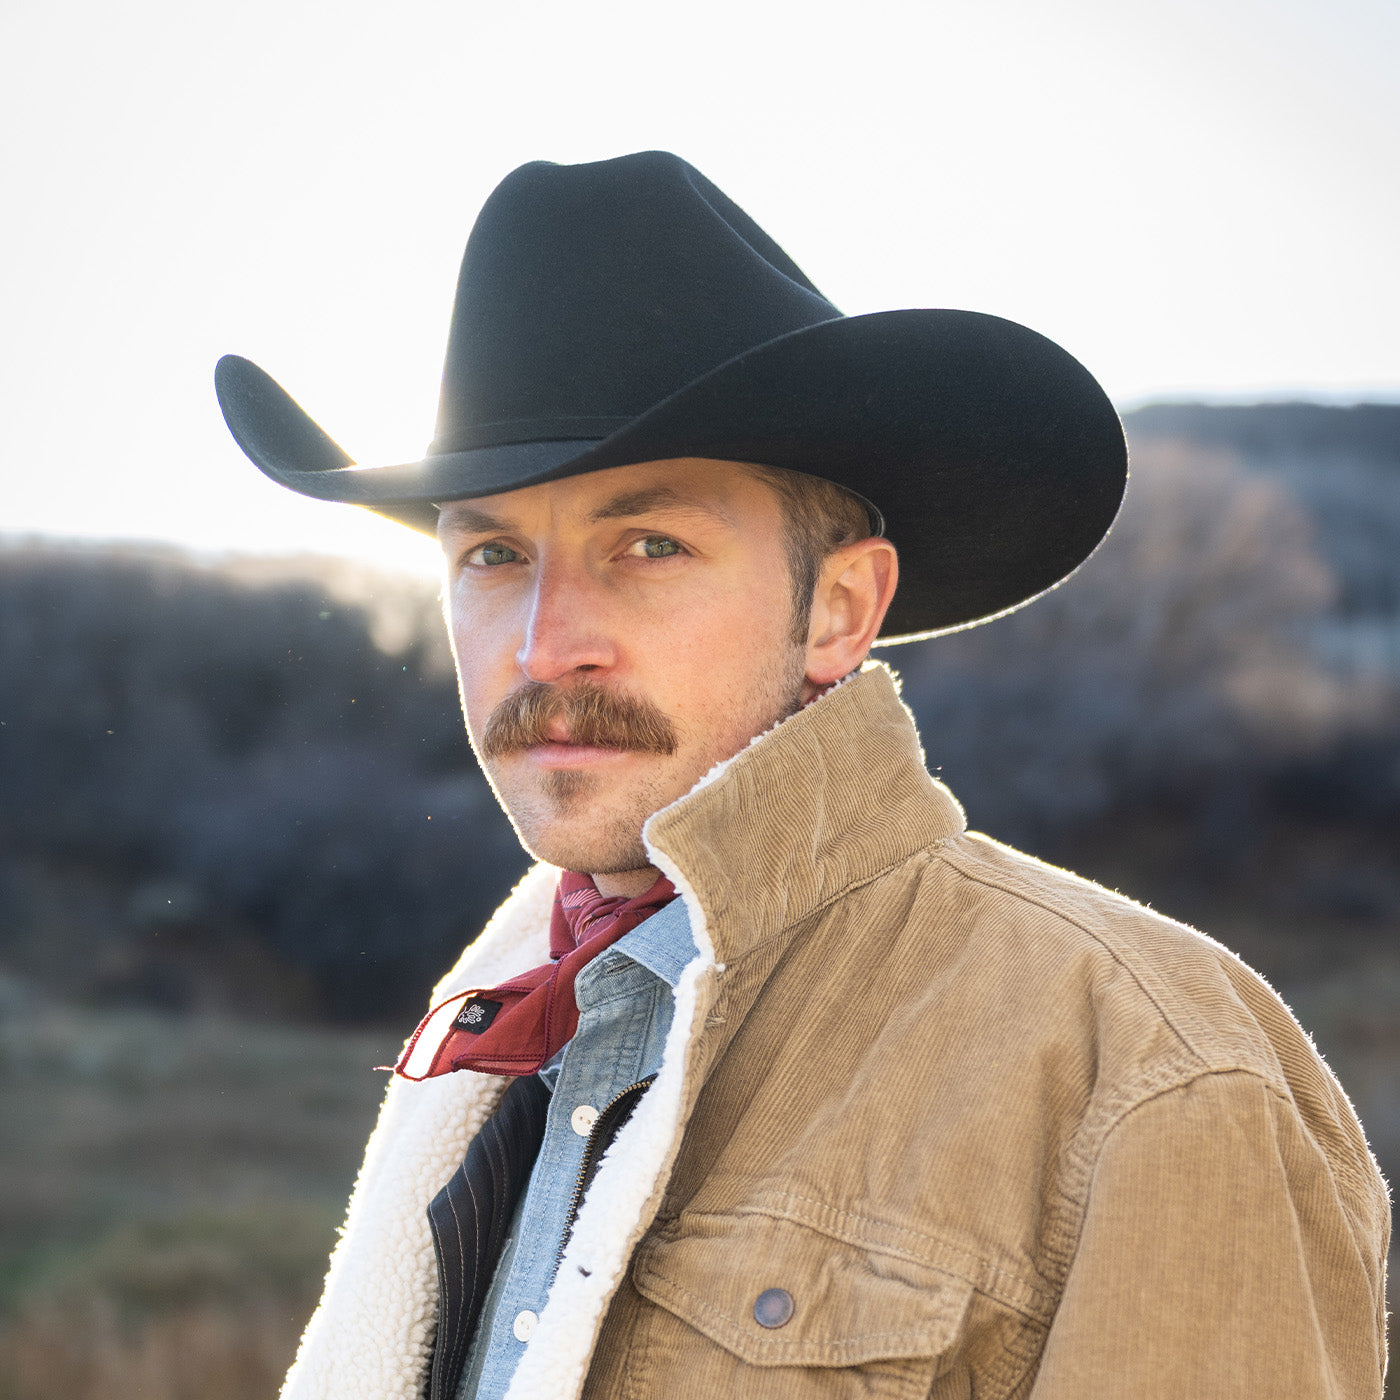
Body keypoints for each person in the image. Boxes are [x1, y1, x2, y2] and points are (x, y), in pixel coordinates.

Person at [215, 151, 1389, 1400]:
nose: (544, 639)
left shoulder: (1149, 1072)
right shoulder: (506, 1019)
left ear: (838, 608)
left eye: (648, 542)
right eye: (492, 553)